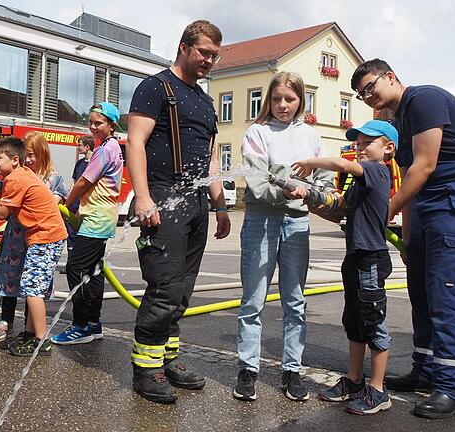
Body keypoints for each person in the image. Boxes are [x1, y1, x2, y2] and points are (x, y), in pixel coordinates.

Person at [351, 59, 455, 419]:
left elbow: (425, 166)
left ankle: (452, 388)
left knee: (445, 292)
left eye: (371, 87)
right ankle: (427, 369)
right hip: (430, 200)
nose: (369, 96)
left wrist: (385, 211)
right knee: (420, 288)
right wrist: (410, 240)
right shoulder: (398, 123)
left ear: (391, 77)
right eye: (362, 94)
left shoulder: (423, 99)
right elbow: (415, 184)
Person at [126, 20, 230, 404]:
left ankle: (167, 359)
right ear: (184, 47)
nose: (209, 61)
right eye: (205, 53)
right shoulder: (155, 88)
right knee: (165, 286)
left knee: (183, 290)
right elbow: (134, 142)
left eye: (214, 56)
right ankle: (146, 369)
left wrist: (219, 206)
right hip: (162, 195)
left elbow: (213, 160)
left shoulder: (205, 100)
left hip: (197, 202)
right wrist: (142, 197)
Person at [234, 71, 334, 403]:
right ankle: (248, 370)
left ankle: (292, 371)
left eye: (289, 99)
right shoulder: (257, 132)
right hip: (261, 220)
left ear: (300, 100)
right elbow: (257, 181)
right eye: (276, 99)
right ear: (268, 100)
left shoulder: (312, 136)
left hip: (297, 224)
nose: (282, 105)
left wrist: (318, 195)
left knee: (295, 301)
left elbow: (324, 183)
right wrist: (290, 189)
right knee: (253, 300)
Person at [291, 120, 398, 415]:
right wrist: (308, 195)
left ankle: (377, 389)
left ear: (388, 148)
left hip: (371, 259)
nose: (359, 148)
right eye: (357, 143)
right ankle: (354, 379)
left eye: (367, 143)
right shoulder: (360, 182)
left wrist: (311, 161)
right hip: (355, 257)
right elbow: (339, 208)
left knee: (373, 320)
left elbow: (342, 165)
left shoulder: (378, 171)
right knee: (353, 320)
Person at [0, 137, 68, 356]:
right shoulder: (21, 175)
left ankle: (41, 340)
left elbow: (3, 213)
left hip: (45, 237)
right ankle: (28, 332)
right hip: (44, 236)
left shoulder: (15, 179)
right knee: (30, 285)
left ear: (15, 160)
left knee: (33, 288)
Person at [51, 102, 123, 345]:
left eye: (98, 123)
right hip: (102, 217)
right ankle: (94, 323)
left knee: (76, 269)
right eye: (91, 122)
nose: (93, 127)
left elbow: (83, 182)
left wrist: (66, 201)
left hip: (96, 218)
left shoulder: (104, 151)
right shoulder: (112, 147)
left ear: (111, 126)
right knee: (93, 272)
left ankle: (81, 325)